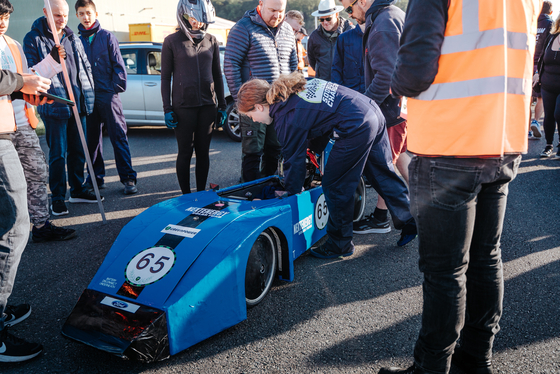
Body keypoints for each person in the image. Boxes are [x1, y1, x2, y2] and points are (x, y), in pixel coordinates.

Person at [381, 0, 541, 373]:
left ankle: (432, 367)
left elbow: (413, 75)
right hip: (502, 138)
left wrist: (395, 79)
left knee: (444, 270)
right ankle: (475, 360)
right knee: (486, 259)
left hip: (449, 142)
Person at [237, 73, 416, 258]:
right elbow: (319, 117)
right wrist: (313, 150)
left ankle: (340, 244)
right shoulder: (293, 88)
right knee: (381, 172)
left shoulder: (285, 116)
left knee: (335, 185)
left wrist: (290, 191)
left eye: (251, 115)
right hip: (371, 110)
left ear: (259, 106)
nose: (254, 121)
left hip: (356, 123)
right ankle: (409, 220)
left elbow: (293, 160)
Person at [0, 1, 76, 242]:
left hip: (21, 121)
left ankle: (40, 225)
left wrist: (51, 63)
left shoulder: (12, 44)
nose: (3, 22)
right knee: (9, 183)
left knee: (36, 171)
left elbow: (27, 77)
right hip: (1, 129)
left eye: (6, 17)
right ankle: (10, 230)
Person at [0, 5, 52, 358]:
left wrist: (26, 89)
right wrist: (21, 82)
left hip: (9, 130)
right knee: (16, 224)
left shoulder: (11, 43)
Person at [342, 0, 413, 239]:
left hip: (390, 109)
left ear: (362, 1)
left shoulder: (383, 23)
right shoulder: (390, 15)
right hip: (401, 107)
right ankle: (426, 204)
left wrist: (364, 105)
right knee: (401, 158)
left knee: (384, 166)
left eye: (348, 8)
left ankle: (382, 218)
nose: (349, 15)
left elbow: (385, 76)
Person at [24, 0, 98, 217]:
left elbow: (85, 68)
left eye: (64, 15)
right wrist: (52, 58)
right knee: (58, 154)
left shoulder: (72, 36)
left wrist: (88, 94)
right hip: (55, 103)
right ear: (46, 12)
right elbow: (31, 73)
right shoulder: (34, 38)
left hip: (78, 102)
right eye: (57, 15)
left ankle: (78, 189)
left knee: (78, 150)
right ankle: (57, 198)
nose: (62, 20)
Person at [224, 0, 297, 182]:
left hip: (280, 105)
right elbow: (230, 65)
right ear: (261, 3)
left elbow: (293, 65)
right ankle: (250, 192)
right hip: (254, 105)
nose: (277, 15)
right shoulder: (243, 28)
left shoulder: (287, 30)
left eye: (281, 11)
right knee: (253, 151)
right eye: (272, 10)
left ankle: (268, 188)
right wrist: (242, 103)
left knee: (275, 149)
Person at [161, 0, 226, 194]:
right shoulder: (172, 41)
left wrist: (221, 105)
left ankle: (200, 193)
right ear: (184, 16)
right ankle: (185, 195)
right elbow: (165, 78)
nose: (198, 23)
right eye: (194, 18)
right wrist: (167, 108)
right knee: (185, 152)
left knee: (203, 152)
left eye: (201, 19)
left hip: (207, 106)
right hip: (183, 108)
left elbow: (217, 75)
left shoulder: (212, 40)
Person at [75, 0, 137, 195]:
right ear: (77, 15)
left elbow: (120, 69)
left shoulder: (107, 37)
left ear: (96, 14)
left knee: (118, 137)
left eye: (88, 13)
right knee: (92, 141)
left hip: (108, 97)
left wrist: (112, 91)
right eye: (81, 13)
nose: (86, 17)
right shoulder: (75, 41)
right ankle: (95, 179)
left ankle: (128, 178)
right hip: (88, 100)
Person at [307, 0, 353, 81]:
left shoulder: (350, 32)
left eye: (328, 19)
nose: (325, 22)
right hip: (323, 84)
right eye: (321, 20)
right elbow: (312, 60)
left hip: (346, 85)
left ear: (336, 14)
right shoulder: (314, 36)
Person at [535, 13, 560, 159]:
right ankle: (548, 145)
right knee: (549, 116)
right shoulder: (551, 37)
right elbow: (542, 57)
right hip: (547, 84)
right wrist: (537, 73)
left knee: (558, 113)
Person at [530, 0, 553, 139]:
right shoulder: (550, 23)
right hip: (540, 65)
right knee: (540, 97)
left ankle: (525, 128)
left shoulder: (532, 20)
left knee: (527, 97)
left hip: (527, 62)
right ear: (550, 11)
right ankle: (535, 122)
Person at [331, 22, 365, 93]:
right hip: (349, 95)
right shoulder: (343, 38)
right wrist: (341, 93)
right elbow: (336, 68)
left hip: (373, 97)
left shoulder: (380, 36)